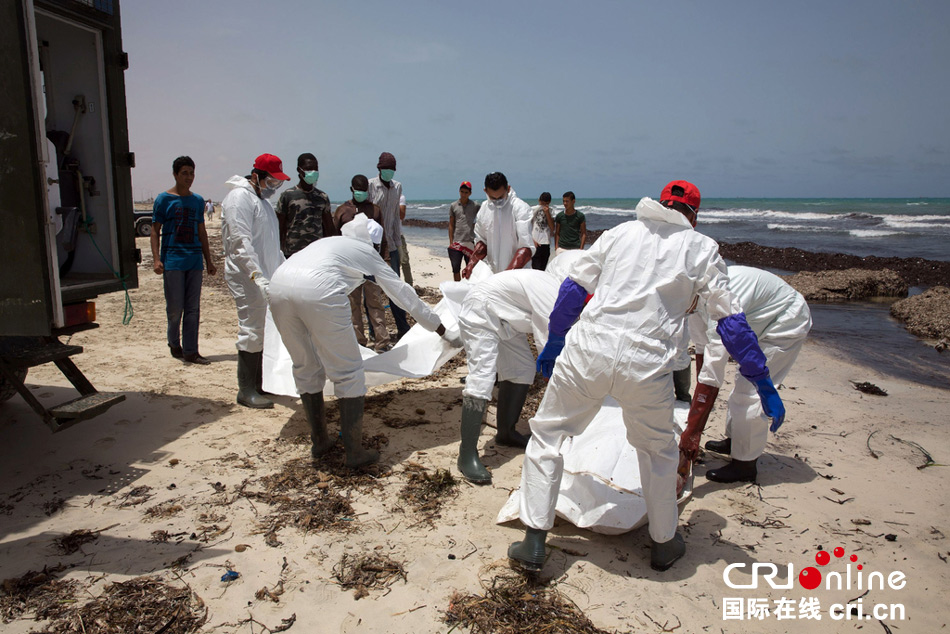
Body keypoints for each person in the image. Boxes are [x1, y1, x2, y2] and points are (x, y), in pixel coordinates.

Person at [507, 180, 786, 573]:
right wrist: (763, 383)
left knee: (549, 436)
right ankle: (664, 542)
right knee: (657, 452)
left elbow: (575, 288)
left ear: (660, 203)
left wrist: (556, 339)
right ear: (694, 214)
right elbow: (731, 325)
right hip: (648, 362)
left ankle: (534, 539)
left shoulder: (621, 233)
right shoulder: (702, 249)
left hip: (590, 349)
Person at [268, 214, 461, 467]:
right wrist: (442, 330)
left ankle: (320, 442)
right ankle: (354, 453)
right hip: (317, 289)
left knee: (306, 366)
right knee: (349, 373)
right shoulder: (365, 252)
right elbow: (405, 296)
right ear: (373, 244)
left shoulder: (330, 244)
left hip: (278, 285)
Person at [456, 251, 585, 484]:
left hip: (506, 320)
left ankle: (506, 432)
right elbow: (553, 348)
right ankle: (466, 455)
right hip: (481, 312)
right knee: (482, 377)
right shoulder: (552, 293)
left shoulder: (553, 288)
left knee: (522, 368)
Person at [678, 265, 812, 484]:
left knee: (748, 391)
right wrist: (697, 416)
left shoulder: (719, 299)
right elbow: (702, 352)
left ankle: (745, 464)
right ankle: (736, 441)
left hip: (784, 319)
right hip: (755, 319)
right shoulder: (692, 304)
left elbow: (712, 373)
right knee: (740, 386)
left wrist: (693, 432)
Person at [221, 153, 290, 409]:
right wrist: (256, 276)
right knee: (251, 327)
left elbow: (272, 246)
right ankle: (246, 389)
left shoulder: (263, 204)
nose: (273, 188)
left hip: (266, 275)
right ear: (255, 176)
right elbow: (240, 243)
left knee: (265, 328)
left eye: (277, 184)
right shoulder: (239, 198)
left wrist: (283, 271)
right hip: (246, 276)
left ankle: (261, 383)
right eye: (271, 182)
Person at [150, 156, 216, 365]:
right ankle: (174, 343)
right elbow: (154, 230)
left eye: (192, 173)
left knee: (193, 309)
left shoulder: (197, 201)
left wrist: (209, 260)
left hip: (194, 261)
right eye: (185, 173)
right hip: (173, 261)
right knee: (175, 308)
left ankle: (191, 351)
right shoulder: (164, 199)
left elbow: (202, 232)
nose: (189, 177)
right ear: (175, 174)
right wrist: (156, 259)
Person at [334, 175, 391, 353]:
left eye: (364, 190)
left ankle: (382, 342)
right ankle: (358, 342)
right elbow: (333, 238)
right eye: (358, 190)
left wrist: (385, 260)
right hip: (349, 265)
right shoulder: (342, 211)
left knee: (375, 303)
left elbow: (382, 237)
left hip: (370, 264)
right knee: (353, 305)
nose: (361, 193)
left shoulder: (374, 210)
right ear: (351, 189)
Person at [368, 152, 411, 338]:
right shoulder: (370, 186)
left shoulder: (397, 187)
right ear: (379, 169)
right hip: (373, 246)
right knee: (371, 289)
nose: (389, 172)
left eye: (392, 170)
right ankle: (374, 332)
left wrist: (397, 243)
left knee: (395, 287)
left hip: (392, 244)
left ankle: (402, 327)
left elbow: (395, 216)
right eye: (386, 169)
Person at [460, 172, 534, 279]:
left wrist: (506, 276)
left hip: (518, 276)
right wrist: (471, 264)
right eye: (493, 198)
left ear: (508, 189)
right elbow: (482, 242)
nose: (497, 201)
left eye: (500, 197)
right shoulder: (484, 209)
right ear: (485, 191)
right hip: (493, 274)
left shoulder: (520, 208)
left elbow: (526, 248)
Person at [275, 153, 336, 258]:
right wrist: (279, 253)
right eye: (309, 169)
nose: (313, 172)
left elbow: (329, 228)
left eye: (315, 169)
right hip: (292, 253)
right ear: (299, 170)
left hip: (316, 253)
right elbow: (280, 227)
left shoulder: (322, 197)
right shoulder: (287, 196)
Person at [447, 181, 480, 282]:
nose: (463, 194)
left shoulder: (475, 206)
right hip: (457, 243)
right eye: (462, 192)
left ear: (470, 193)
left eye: (466, 192)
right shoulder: (453, 205)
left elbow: (482, 219)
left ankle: (468, 288)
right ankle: (457, 288)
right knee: (456, 268)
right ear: (459, 191)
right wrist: (451, 242)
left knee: (470, 269)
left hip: (470, 243)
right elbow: (451, 224)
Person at [531, 192, 555, 271]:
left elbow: (552, 228)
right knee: (535, 269)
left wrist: (547, 213)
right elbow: (526, 225)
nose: (544, 206)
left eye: (546, 203)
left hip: (546, 243)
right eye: (542, 203)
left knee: (542, 270)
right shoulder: (533, 209)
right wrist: (532, 240)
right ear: (539, 200)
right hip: (536, 243)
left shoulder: (551, 211)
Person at [398, 193, 413, 286]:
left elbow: (401, 215)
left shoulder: (400, 197)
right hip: (384, 235)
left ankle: (410, 285)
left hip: (398, 234)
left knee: (404, 260)